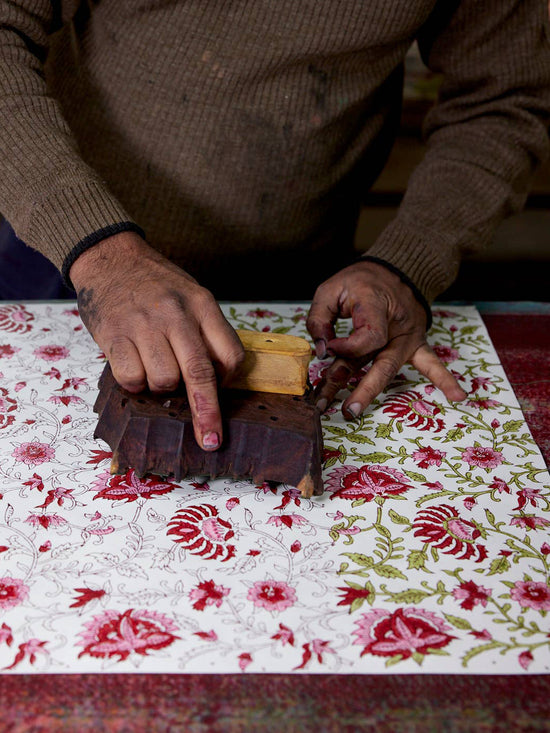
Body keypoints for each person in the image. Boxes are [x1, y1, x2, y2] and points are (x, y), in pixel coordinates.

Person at [0, 1, 549, 452]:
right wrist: (103, 255)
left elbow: (504, 98)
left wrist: (408, 261)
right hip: (66, 256)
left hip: (306, 290)